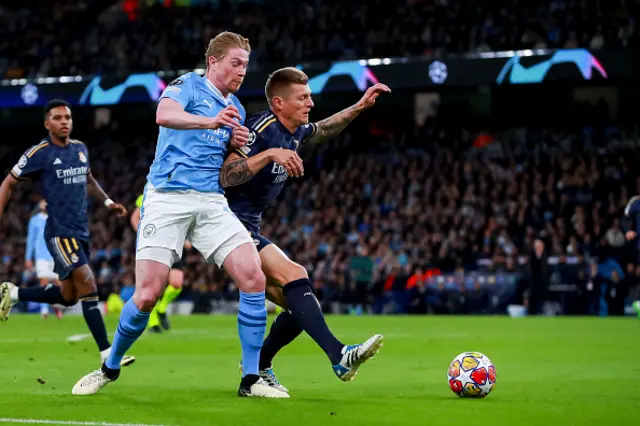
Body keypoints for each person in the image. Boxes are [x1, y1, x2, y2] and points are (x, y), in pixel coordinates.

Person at [72, 32, 287, 398]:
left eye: (246, 65)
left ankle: (250, 380)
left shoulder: (232, 103)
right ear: (213, 61)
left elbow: (224, 154)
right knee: (147, 296)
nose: (241, 71)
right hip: (167, 198)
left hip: (210, 200)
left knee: (252, 278)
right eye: (235, 63)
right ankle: (109, 367)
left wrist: (235, 143)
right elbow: (163, 114)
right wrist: (213, 123)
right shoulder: (187, 85)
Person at [221, 67, 390, 392]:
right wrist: (269, 154)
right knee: (295, 276)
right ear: (279, 103)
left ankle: (259, 368)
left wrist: (358, 107)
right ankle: (339, 355)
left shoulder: (294, 132)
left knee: (299, 301)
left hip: (247, 226)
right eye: (303, 97)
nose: (310, 102)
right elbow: (226, 175)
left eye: (310, 96)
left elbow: (324, 129)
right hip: (225, 225)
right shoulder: (261, 130)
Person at [0, 99, 135, 368]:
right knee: (89, 284)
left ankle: (13, 294)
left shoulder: (80, 149)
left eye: (68, 117)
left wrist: (108, 202)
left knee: (69, 296)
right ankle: (107, 352)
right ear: (47, 123)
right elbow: (8, 182)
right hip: (59, 234)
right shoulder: (39, 153)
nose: (65, 122)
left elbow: (88, 179)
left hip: (80, 232)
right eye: (58, 117)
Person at [131, 194, 183, 333]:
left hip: (173, 244)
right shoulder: (146, 195)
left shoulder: (177, 195)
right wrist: (144, 235)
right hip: (153, 246)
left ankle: (162, 308)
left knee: (177, 283)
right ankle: (152, 323)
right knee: (153, 286)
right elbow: (135, 218)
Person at [26, 199, 63, 319]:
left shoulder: (54, 220)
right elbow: (31, 239)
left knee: (57, 282)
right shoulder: (34, 220)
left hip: (53, 255)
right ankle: (44, 309)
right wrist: (28, 258)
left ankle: (56, 305)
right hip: (40, 255)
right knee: (43, 280)